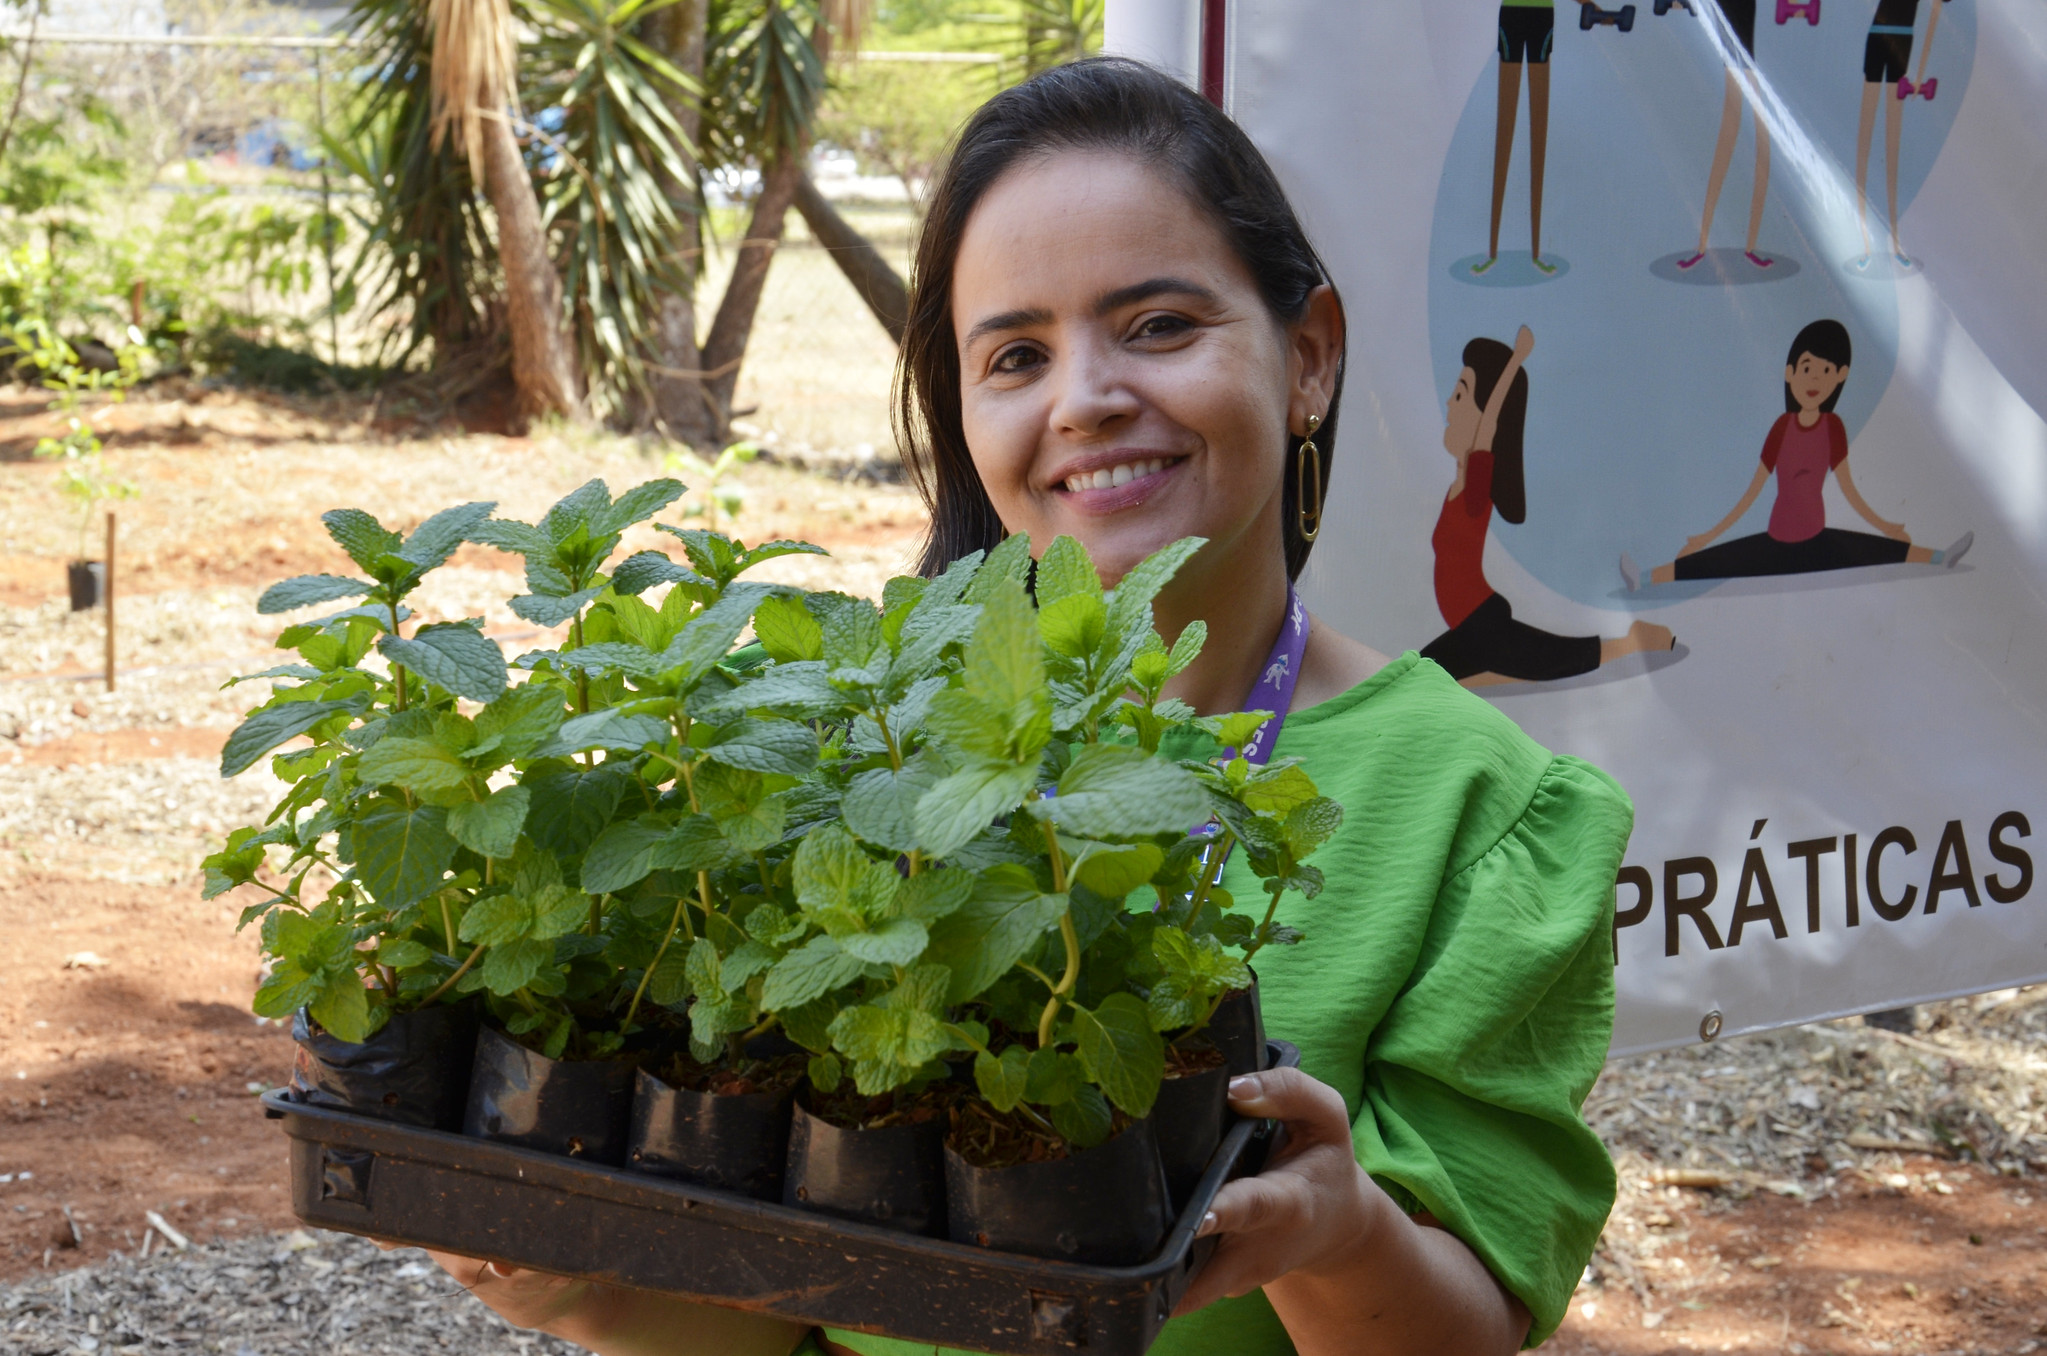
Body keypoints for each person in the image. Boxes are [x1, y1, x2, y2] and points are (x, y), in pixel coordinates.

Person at [419, 58, 1630, 1356]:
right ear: (963, 409)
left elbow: (1467, 1331)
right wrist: (564, 1283)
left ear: (1309, 357)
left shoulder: (1476, 815)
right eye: (1014, 355)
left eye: (1158, 325)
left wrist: (1337, 1235)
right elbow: (770, 1322)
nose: (1084, 399)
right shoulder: (855, 761)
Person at [1623, 318, 1971, 587]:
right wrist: (1708, 537)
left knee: (1878, 549)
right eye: (1807, 368)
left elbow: (1848, 488)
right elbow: (1753, 491)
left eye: (1825, 371)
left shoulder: (1833, 427)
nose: (1814, 379)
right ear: (1790, 374)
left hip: (1817, 540)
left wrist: (1884, 525)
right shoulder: (1781, 428)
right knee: (1716, 559)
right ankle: (1645, 579)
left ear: (1840, 377)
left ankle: (1941, 558)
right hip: (1776, 541)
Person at [1422, 325, 1675, 684]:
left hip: (1481, 624)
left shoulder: (1476, 488)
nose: (1448, 403)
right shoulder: (1456, 487)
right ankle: (1632, 640)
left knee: (1554, 658)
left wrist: (1516, 360)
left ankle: (1635, 641)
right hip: (1472, 626)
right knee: (1423, 672)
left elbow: (1489, 425)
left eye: (1460, 395)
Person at [1476, 0, 1599, 276]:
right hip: (1515, 16)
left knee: (1538, 128)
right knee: (1504, 128)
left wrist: (1589, 5)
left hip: (1540, 17)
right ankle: (1493, 251)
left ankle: (1534, 252)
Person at [1677, 0, 1774, 271]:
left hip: (1748, 65)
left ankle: (1742, 246)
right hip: (1738, 66)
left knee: (1755, 146)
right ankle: (1704, 245)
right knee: (1737, 143)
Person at [1854, 0, 1951, 270]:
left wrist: (1920, 73)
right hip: (1879, 37)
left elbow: (1934, 14)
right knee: (1866, 134)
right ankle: (1865, 242)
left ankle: (1894, 241)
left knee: (1891, 141)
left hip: (1902, 42)